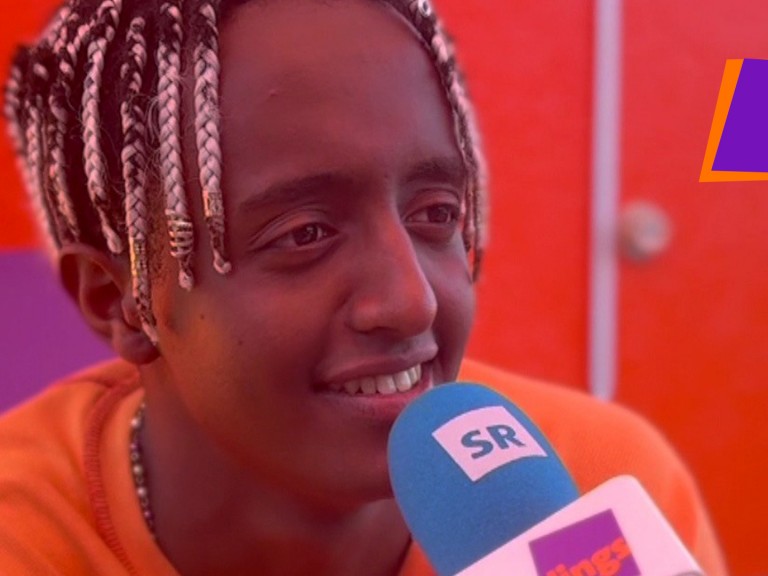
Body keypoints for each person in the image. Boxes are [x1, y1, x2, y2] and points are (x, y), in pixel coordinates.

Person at [0, 0, 727, 574]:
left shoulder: (598, 490)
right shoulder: (25, 536)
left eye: (435, 214)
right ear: (118, 300)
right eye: (305, 233)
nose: (413, 302)